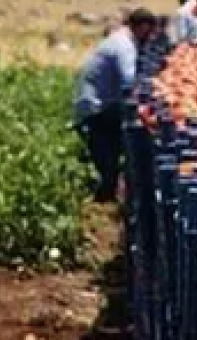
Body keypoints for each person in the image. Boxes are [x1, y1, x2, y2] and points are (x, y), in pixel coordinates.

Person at [72, 8, 158, 203]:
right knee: (132, 141)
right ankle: (114, 196)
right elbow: (128, 81)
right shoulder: (124, 46)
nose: (150, 38)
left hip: (97, 103)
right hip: (97, 108)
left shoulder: (118, 39)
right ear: (142, 27)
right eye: (149, 32)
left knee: (113, 154)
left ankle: (114, 192)